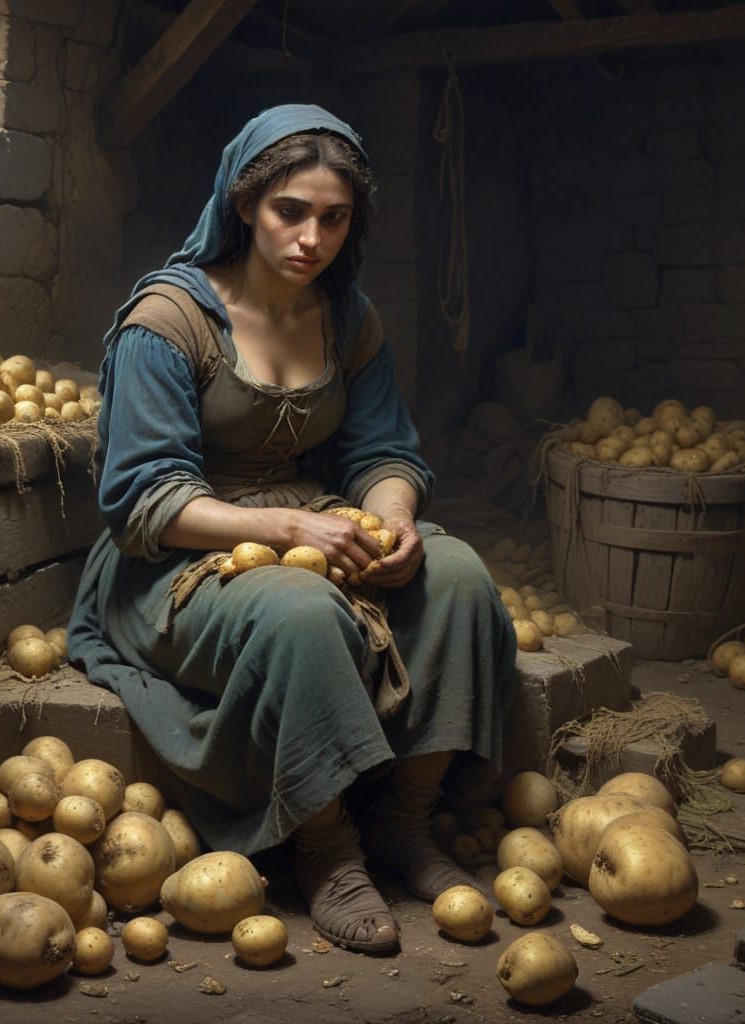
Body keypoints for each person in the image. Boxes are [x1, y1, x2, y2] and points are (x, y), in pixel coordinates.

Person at [68, 104, 516, 954]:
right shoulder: (168, 326)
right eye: (290, 212)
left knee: (457, 577)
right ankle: (327, 847)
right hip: (179, 554)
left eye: (334, 218)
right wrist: (281, 531)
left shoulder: (348, 319)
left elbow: (383, 450)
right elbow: (143, 502)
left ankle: (403, 822)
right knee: (301, 614)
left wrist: (391, 520)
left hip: (309, 520)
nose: (312, 237)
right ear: (244, 205)